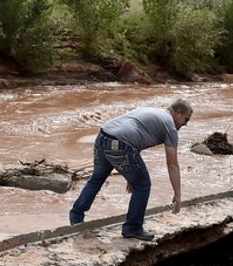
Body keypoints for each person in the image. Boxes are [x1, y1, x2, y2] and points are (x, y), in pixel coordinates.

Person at [67, 101, 191, 241]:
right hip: (121, 144)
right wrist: (178, 195)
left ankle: (76, 216)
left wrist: (130, 176)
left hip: (103, 137)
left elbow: (134, 137)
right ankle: (132, 228)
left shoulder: (153, 112)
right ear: (178, 112)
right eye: (186, 119)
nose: (186, 124)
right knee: (143, 185)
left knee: (97, 178)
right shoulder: (170, 126)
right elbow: (172, 164)